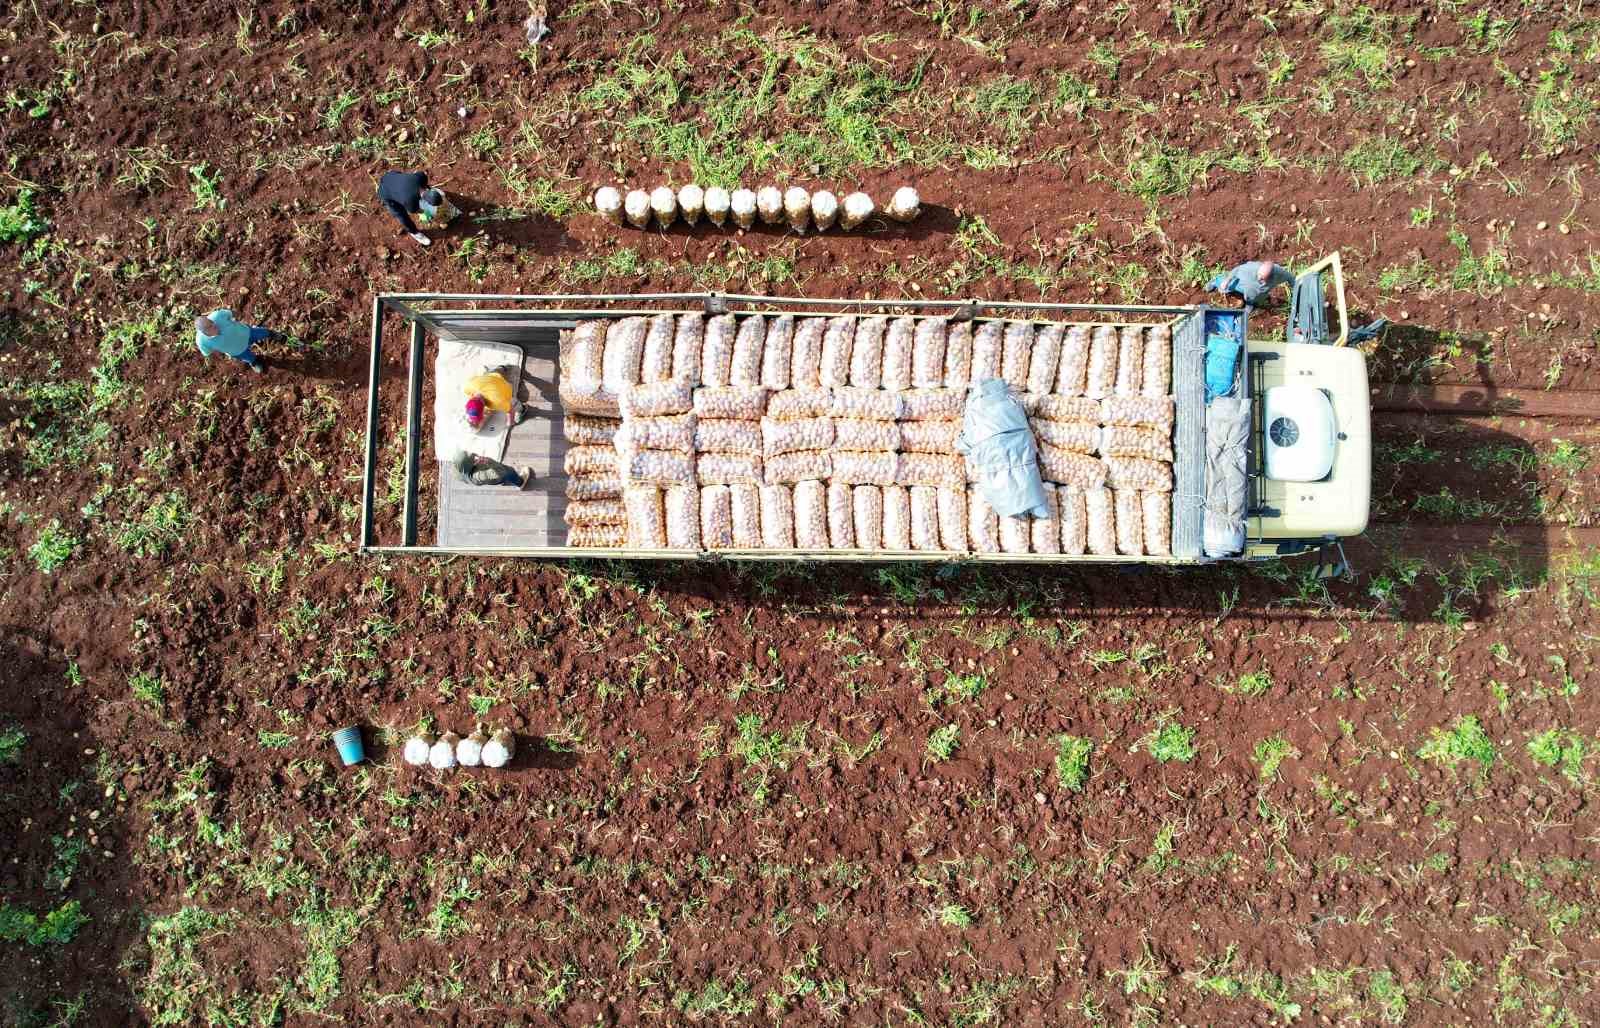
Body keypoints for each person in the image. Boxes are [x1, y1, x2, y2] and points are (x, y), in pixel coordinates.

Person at [195, 310, 279, 373]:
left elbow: (231, 313)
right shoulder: (202, 341)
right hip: (237, 351)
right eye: (210, 327)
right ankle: (255, 362)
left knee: (261, 333)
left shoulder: (217, 315)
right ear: (204, 332)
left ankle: (272, 334)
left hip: (246, 333)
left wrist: (237, 319)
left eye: (211, 322)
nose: (214, 325)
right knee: (248, 357)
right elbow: (208, 353)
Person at [377, 170, 439, 247]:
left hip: (390, 175)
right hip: (386, 193)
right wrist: (427, 212)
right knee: (402, 215)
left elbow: (422, 174)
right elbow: (416, 211)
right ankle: (414, 233)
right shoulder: (410, 201)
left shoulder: (419, 177)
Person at [1208, 260, 1294, 308]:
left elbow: (1291, 278)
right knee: (1229, 285)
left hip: (1258, 292)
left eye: (1263, 277)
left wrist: (1297, 290)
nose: (1259, 278)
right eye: (1259, 275)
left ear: (1271, 275)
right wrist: (1226, 281)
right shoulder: (1251, 268)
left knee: (1257, 297)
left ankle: (1250, 303)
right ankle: (1215, 282)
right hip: (1244, 284)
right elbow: (1237, 270)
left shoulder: (1279, 274)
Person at [454, 450, 533, 489]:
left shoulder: (458, 468)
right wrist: (488, 461)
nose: (471, 454)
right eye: (470, 458)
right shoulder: (479, 475)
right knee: (509, 471)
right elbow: (500, 472)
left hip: (488, 477)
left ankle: (505, 481)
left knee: (500, 477)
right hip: (497, 474)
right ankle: (520, 482)